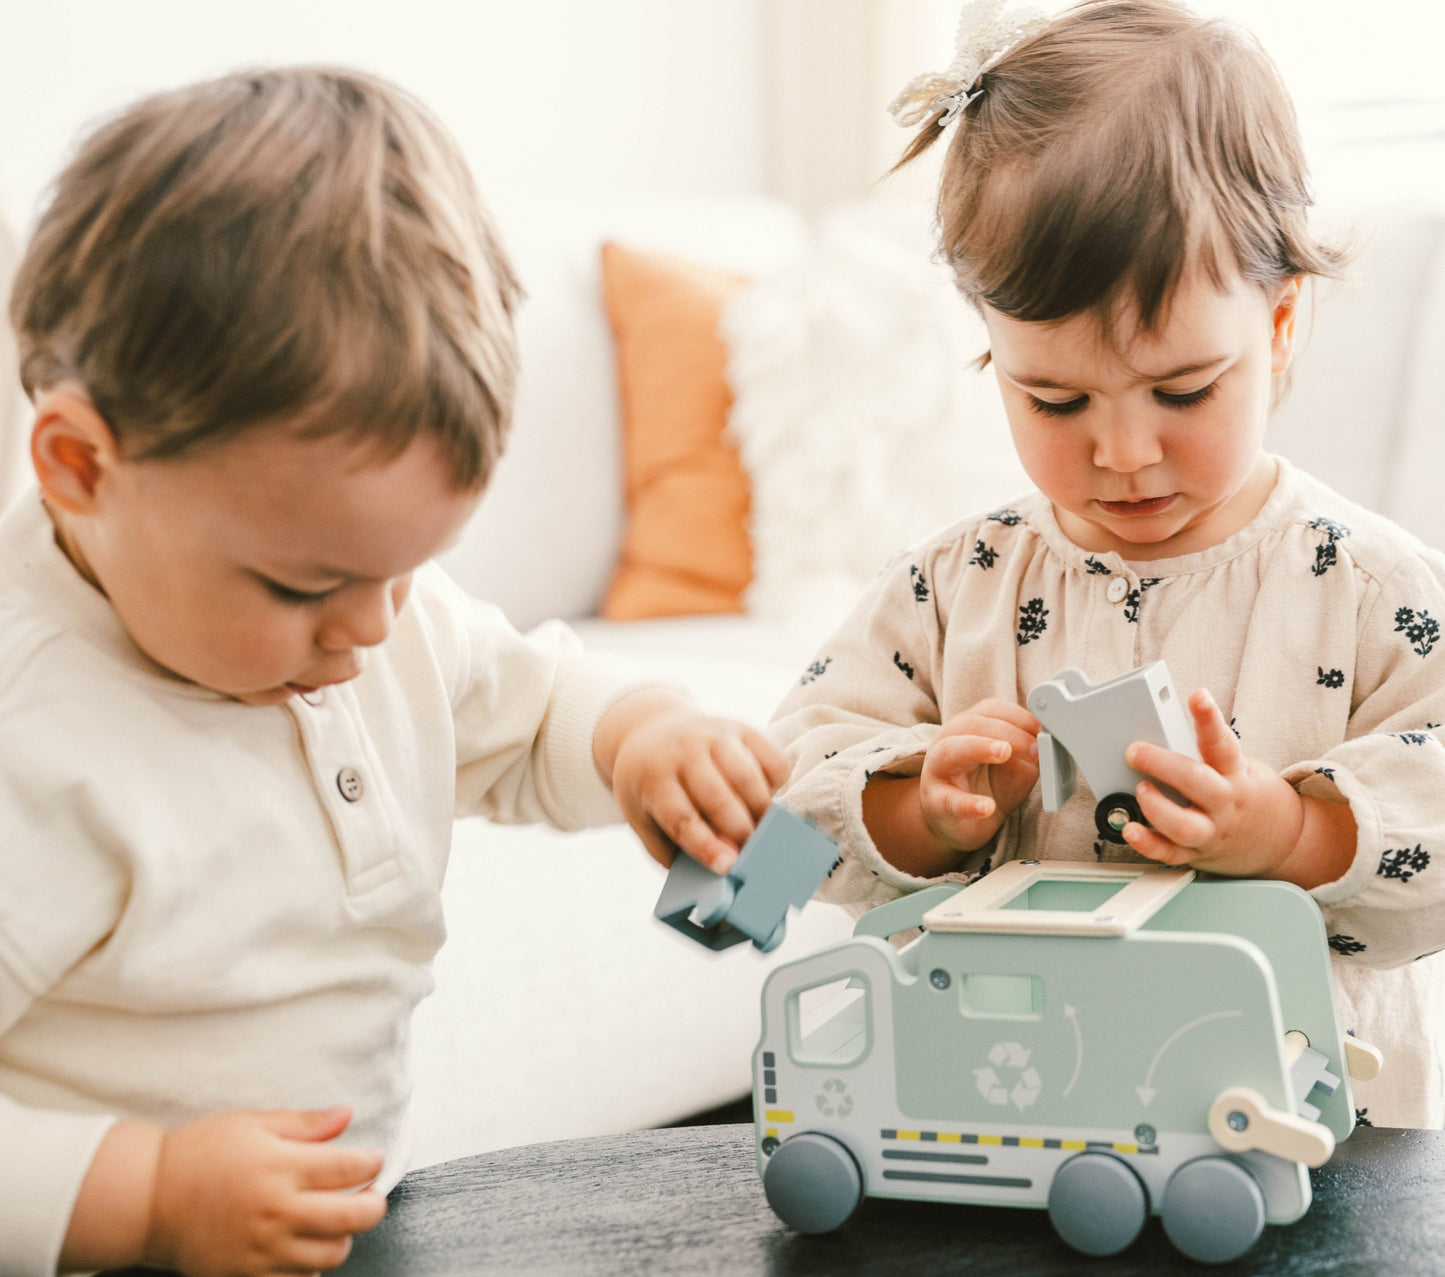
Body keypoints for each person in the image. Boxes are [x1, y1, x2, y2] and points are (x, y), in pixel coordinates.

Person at [0, 67, 789, 1276]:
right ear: (79, 465)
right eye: (302, 587)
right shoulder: (34, 739)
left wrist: (643, 737)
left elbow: (526, 711)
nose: (370, 632)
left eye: (410, 570)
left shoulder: (375, 615)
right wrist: (144, 1192)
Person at [771, 0, 1445, 1131]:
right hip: (1006, 1111)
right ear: (988, 348)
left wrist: (1283, 832)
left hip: (1304, 1132)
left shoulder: (1371, 593)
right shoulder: (952, 588)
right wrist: (918, 807)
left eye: (1182, 390)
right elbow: (789, 803)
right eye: (1053, 398)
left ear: (1277, 328)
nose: (1122, 453)